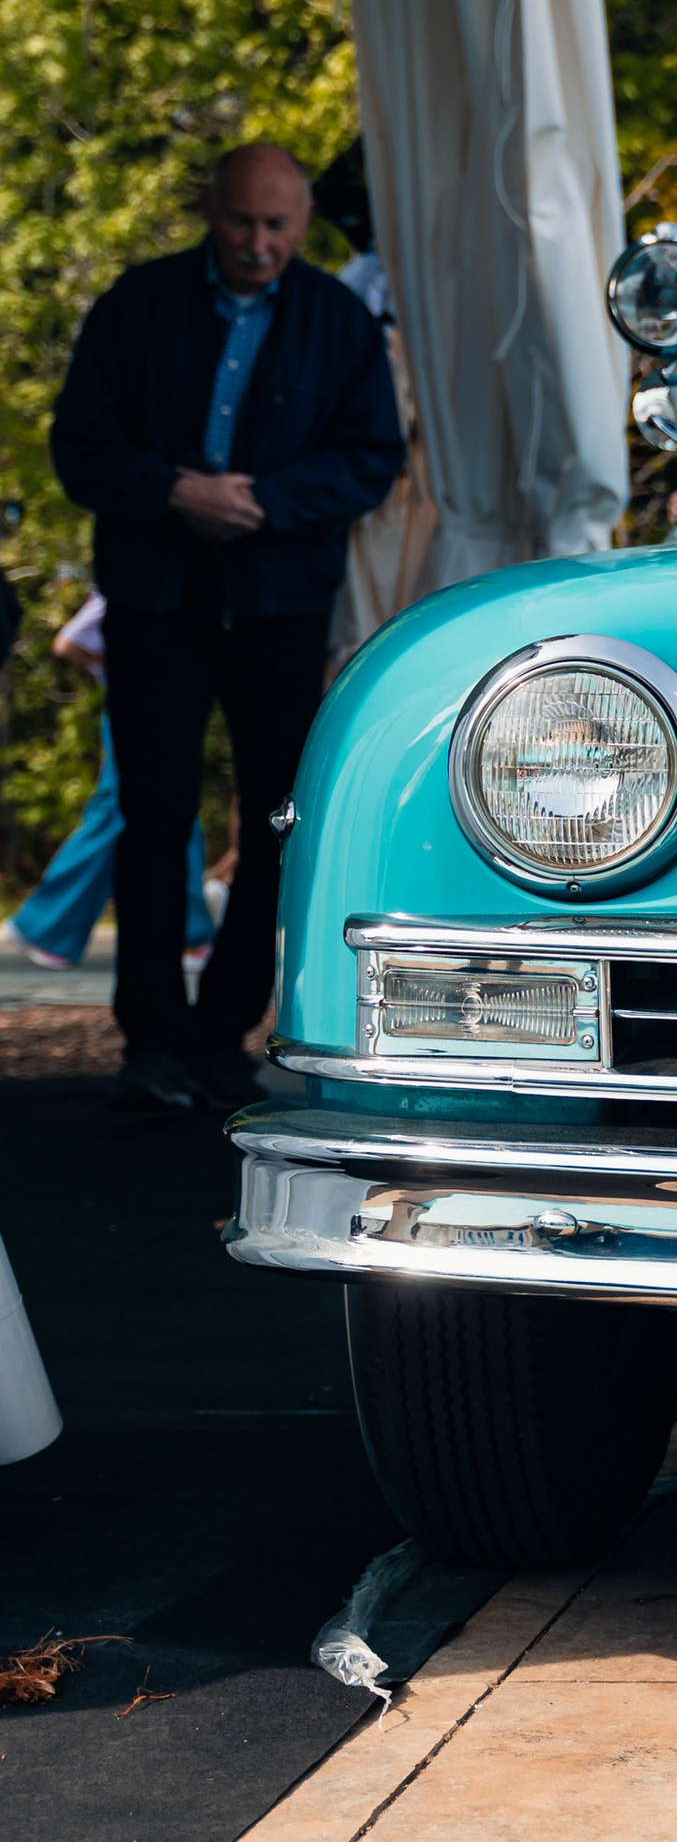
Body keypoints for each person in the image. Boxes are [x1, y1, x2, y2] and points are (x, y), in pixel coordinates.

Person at [51, 142, 403, 1114]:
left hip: (278, 598)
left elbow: (372, 459)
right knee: (154, 815)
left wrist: (265, 503)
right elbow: (79, 446)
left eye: (277, 225)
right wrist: (176, 491)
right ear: (213, 211)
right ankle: (151, 1041)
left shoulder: (336, 320)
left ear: (302, 223)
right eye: (243, 221)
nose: (258, 243)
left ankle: (225, 1034)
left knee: (278, 819)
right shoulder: (138, 304)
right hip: (156, 597)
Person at [2, 594, 220, 972]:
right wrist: (124, 668)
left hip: (163, 710)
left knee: (140, 811)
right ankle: (187, 934)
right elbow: (68, 641)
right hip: (142, 711)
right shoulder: (133, 585)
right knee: (142, 811)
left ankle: (49, 927)